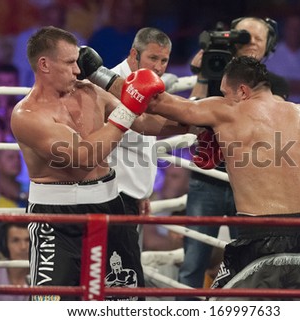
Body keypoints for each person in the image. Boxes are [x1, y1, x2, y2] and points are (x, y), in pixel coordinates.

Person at [79, 52, 300, 291]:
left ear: (243, 91)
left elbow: (151, 101)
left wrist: (97, 71)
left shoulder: (227, 110)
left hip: (263, 236)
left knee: (218, 309)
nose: (223, 98)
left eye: (226, 93)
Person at [10, 26, 183, 301]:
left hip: (109, 205)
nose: (78, 70)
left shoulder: (90, 91)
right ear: (44, 64)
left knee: (125, 299)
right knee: (52, 305)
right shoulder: (27, 115)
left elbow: (145, 122)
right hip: (57, 219)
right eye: (69, 63)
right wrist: (129, 108)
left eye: (77, 62)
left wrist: (198, 126)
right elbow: (84, 157)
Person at [181, 16, 290, 292]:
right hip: (208, 179)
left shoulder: (276, 85)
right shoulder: (213, 70)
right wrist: (204, 74)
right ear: (232, 40)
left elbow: (270, 129)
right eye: (245, 36)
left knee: (252, 263)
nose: (252, 43)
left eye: (258, 38)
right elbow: (191, 121)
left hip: (251, 184)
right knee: (193, 261)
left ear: (269, 46)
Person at [110, 27, 172, 217]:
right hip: (115, 194)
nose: (159, 67)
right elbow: (142, 127)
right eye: (153, 58)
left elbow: (142, 143)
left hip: (132, 195)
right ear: (134, 54)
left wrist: (143, 193)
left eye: (164, 60)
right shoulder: (111, 85)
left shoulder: (150, 85)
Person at [265, 12, 300, 107]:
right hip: (278, 108)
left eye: (298, 28)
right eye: (292, 28)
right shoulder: (271, 54)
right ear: (285, 29)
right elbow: (267, 85)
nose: (295, 32)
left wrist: (287, 85)